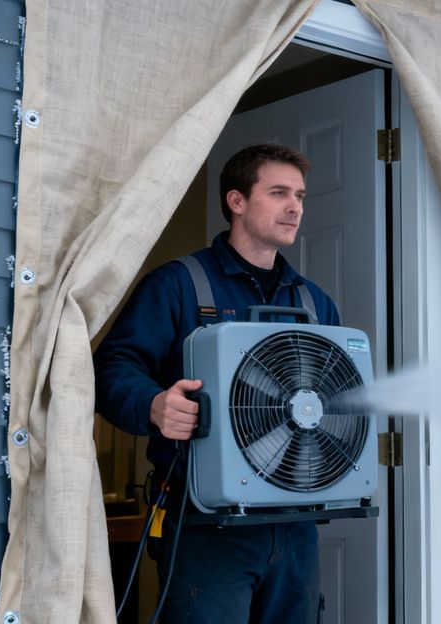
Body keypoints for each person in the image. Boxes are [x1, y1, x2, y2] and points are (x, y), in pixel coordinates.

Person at [94, 143, 340, 624]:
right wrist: (154, 404)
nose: (295, 207)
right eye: (278, 193)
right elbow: (111, 367)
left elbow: (336, 403)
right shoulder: (177, 285)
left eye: (300, 195)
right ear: (237, 201)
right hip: (203, 523)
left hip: (295, 526)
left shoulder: (315, 305)